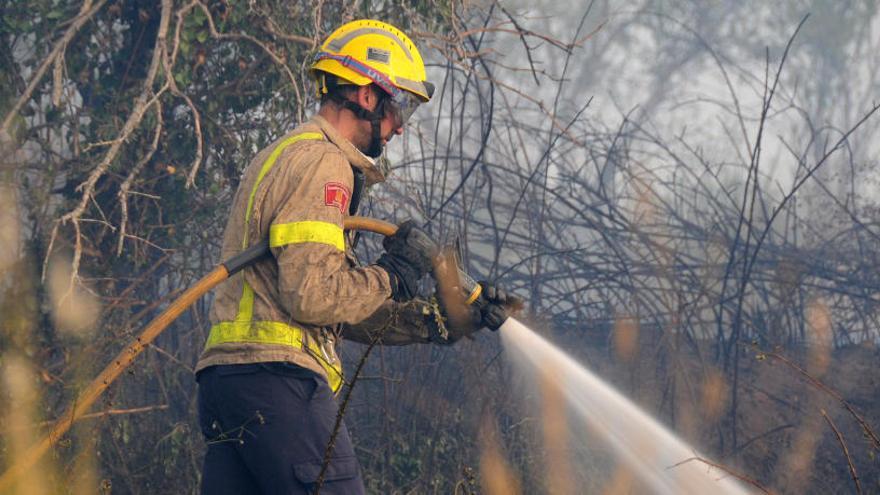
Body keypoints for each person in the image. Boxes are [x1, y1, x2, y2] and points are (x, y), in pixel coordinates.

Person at [195, 19, 519, 494]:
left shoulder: (283, 154)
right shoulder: (324, 162)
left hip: (230, 385)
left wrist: (435, 321)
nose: (401, 127)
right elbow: (313, 297)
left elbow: (331, 309)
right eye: (400, 106)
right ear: (367, 96)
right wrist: (392, 275)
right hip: (279, 382)